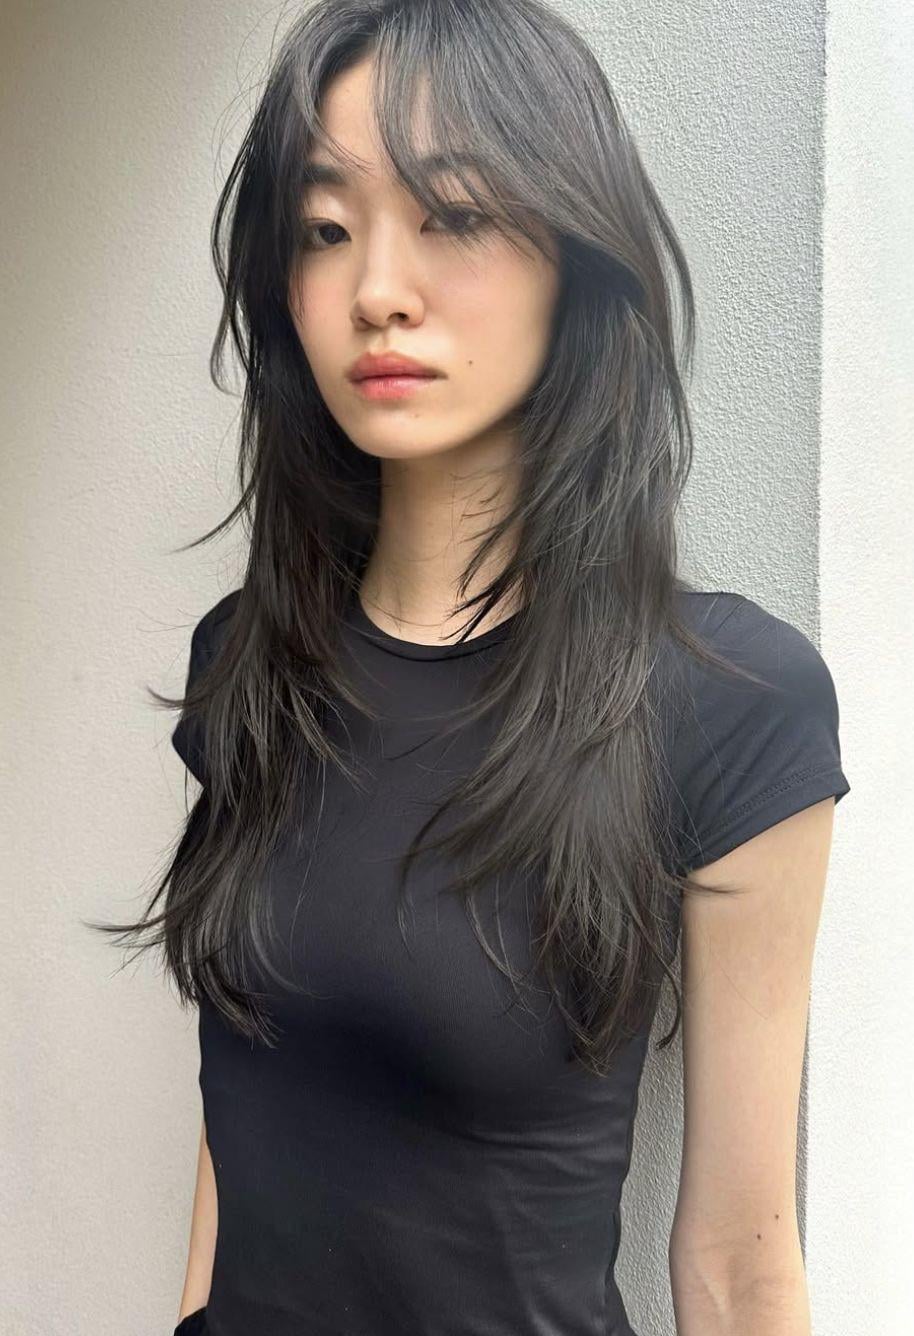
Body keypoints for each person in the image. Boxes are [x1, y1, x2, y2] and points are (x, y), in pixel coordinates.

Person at [100, 2, 851, 1333]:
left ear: (574, 255)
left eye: (451, 214)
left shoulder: (725, 701)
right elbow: (248, 1115)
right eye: (324, 229)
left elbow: (741, 1263)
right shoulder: (249, 665)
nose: (377, 289)